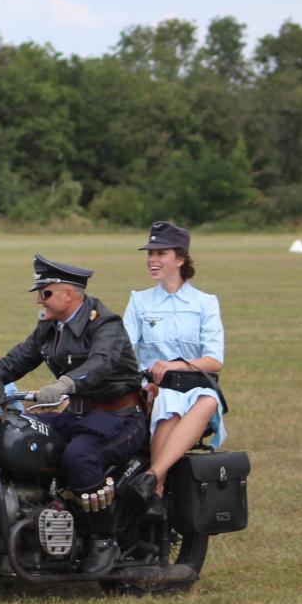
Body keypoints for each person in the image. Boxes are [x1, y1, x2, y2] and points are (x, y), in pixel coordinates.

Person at [0, 255, 146, 576]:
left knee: (79, 457)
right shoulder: (50, 327)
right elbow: (15, 362)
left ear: (70, 294)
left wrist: (67, 383)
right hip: (79, 417)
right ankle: (35, 519)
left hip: (120, 417)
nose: (40, 299)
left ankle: (104, 540)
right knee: (19, 433)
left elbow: (102, 363)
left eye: (46, 293)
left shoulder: (104, 324)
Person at [121, 221, 225, 525]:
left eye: (161, 253)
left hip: (193, 386)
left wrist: (174, 365)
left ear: (180, 259)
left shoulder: (205, 303)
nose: (152, 259)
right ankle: (158, 486)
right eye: (150, 253)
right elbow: (125, 352)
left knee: (208, 400)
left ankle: (153, 478)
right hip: (154, 389)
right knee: (168, 402)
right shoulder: (139, 301)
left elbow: (215, 359)